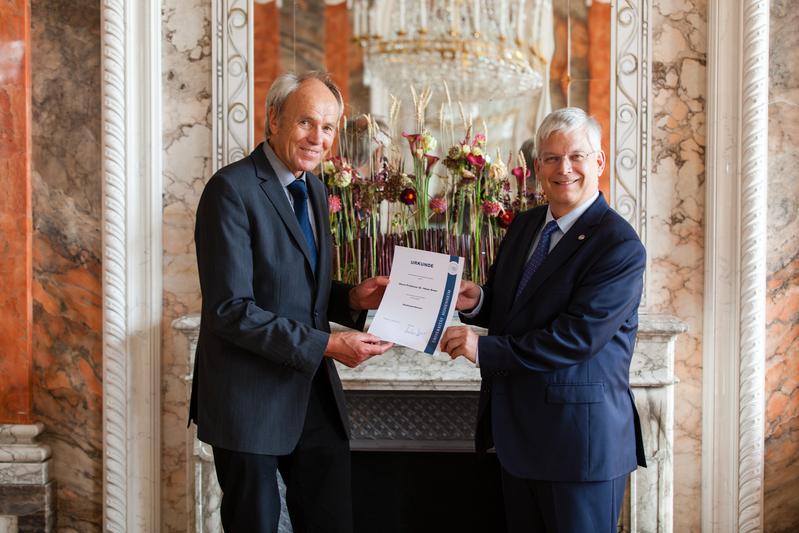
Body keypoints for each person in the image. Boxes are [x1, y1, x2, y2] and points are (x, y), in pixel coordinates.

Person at [189, 71, 393, 533]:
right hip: (250, 400)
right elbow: (230, 310)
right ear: (273, 119)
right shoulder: (230, 190)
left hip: (312, 396)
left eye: (328, 128)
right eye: (305, 123)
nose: (317, 138)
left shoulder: (315, 189)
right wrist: (328, 345)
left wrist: (352, 298)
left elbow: (297, 289)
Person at [441, 107, 647, 532]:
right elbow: (514, 306)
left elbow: (576, 338)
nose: (563, 168)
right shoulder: (526, 225)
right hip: (520, 441)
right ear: (537, 168)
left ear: (599, 162)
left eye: (576, 156)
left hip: (580, 447)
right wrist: (477, 300)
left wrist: (484, 349)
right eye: (551, 158)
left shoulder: (619, 245)